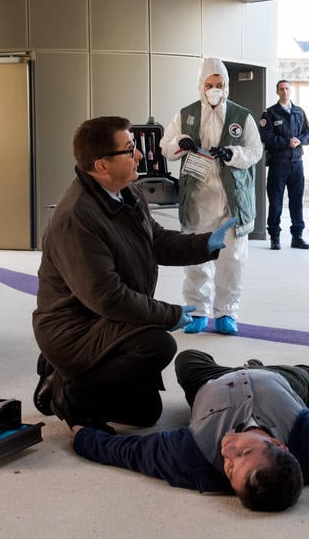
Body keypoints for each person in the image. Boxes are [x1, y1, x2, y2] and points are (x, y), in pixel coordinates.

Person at [31, 116, 236, 431]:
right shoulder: (77, 217)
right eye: (129, 150)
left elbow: (157, 241)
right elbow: (107, 298)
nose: (139, 155)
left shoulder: (129, 193)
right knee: (157, 344)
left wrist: (204, 243)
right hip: (74, 329)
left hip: (105, 320)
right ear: (102, 166)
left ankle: (62, 374)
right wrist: (169, 315)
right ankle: (66, 395)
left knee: (146, 413)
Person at [70, 338, 309, 512]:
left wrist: (82, 435)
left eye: (228, 465)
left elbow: (129, 452)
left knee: (187, 359)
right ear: (281, 447)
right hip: (277, 381)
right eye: (242, 452)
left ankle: (242, 364)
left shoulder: (189, 458)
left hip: (212, 385)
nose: (226, 449)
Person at [160, 57, 263, 336]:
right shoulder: (186, 114)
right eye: (209, 84)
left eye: (219, 84)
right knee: (196, 258)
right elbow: (166, 146)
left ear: (226, 86)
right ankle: (196, 311)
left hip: (231, 202)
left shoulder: (242, 116)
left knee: (232, 260)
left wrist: (232, 154)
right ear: (200, 86)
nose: (214, 89)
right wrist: (181, 142)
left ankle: (227, 313)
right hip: (197, 200)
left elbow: (255, 151)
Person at [258, 79, 309, 250]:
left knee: (297, 202)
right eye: (281, 89)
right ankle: (274, 237)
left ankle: (297, 237)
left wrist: (300, 140)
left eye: (287, 88)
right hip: (278, 164)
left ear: (290, 91)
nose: (285, 91)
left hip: (297, 164)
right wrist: (286, 142)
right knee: (275, 202)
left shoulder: (299, 112)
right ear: (277, 92)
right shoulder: (269, 113)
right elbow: (266, 136)